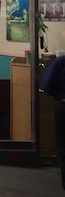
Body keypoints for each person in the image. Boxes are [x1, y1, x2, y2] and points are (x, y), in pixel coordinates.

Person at [40, 51, 65, 190]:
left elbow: (48, 85)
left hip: (64, 106)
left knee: (64, 148)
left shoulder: (61, 61)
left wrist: (60, 96)